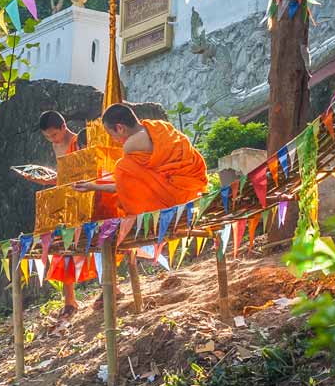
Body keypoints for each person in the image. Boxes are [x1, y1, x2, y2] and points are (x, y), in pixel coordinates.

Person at [72, 103, 208, 215]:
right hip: (194, 190)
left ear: (120, 128)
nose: (114, 140)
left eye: (111, 135)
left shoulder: (131, 144)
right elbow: (138, 183)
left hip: (173, 199)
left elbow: (125, 186)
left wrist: (93, 186)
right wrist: (93, 186)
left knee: (121, 167)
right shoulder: (160, 126)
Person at [35, 110, 88, 319]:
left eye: (54, 135)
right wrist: (50, 180)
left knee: (94, 244)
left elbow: (84, 172)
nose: (52, 140)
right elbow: (62, 176)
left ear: (64, 127)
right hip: (64, 200)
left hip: (82, 197)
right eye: (47, 137)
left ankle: (110, 290)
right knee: (61, 247)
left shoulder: (79, 142)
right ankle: (69, 300)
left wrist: (57, 180)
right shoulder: (54, 144)